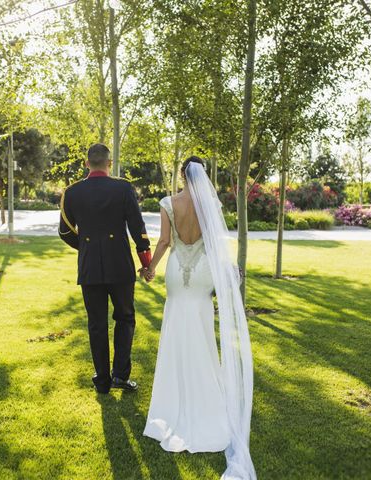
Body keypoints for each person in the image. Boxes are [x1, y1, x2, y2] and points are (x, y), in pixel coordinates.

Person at [143, 157, 257, 480]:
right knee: (204, 336)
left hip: (178, 272)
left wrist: (151, 267)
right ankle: (207, 400)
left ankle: (174, 404)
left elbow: (165, 241)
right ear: (203, 175)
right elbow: (215, 244)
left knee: (177, 329)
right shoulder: (210, 204)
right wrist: (228, 273)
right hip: (205, 272)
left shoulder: (169, 203)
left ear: (182, 173)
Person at [58, 143, 152, 394]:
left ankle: (102, 380)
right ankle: (120, 376)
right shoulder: (123, 188)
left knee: (96, 324)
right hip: (120, 265)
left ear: (87, 164)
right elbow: (137, 228)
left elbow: (64, 231)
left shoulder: (72, 192)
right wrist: (146, 263)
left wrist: (87, 248)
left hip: (89, 267)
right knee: (125, 319)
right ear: (109, 164)